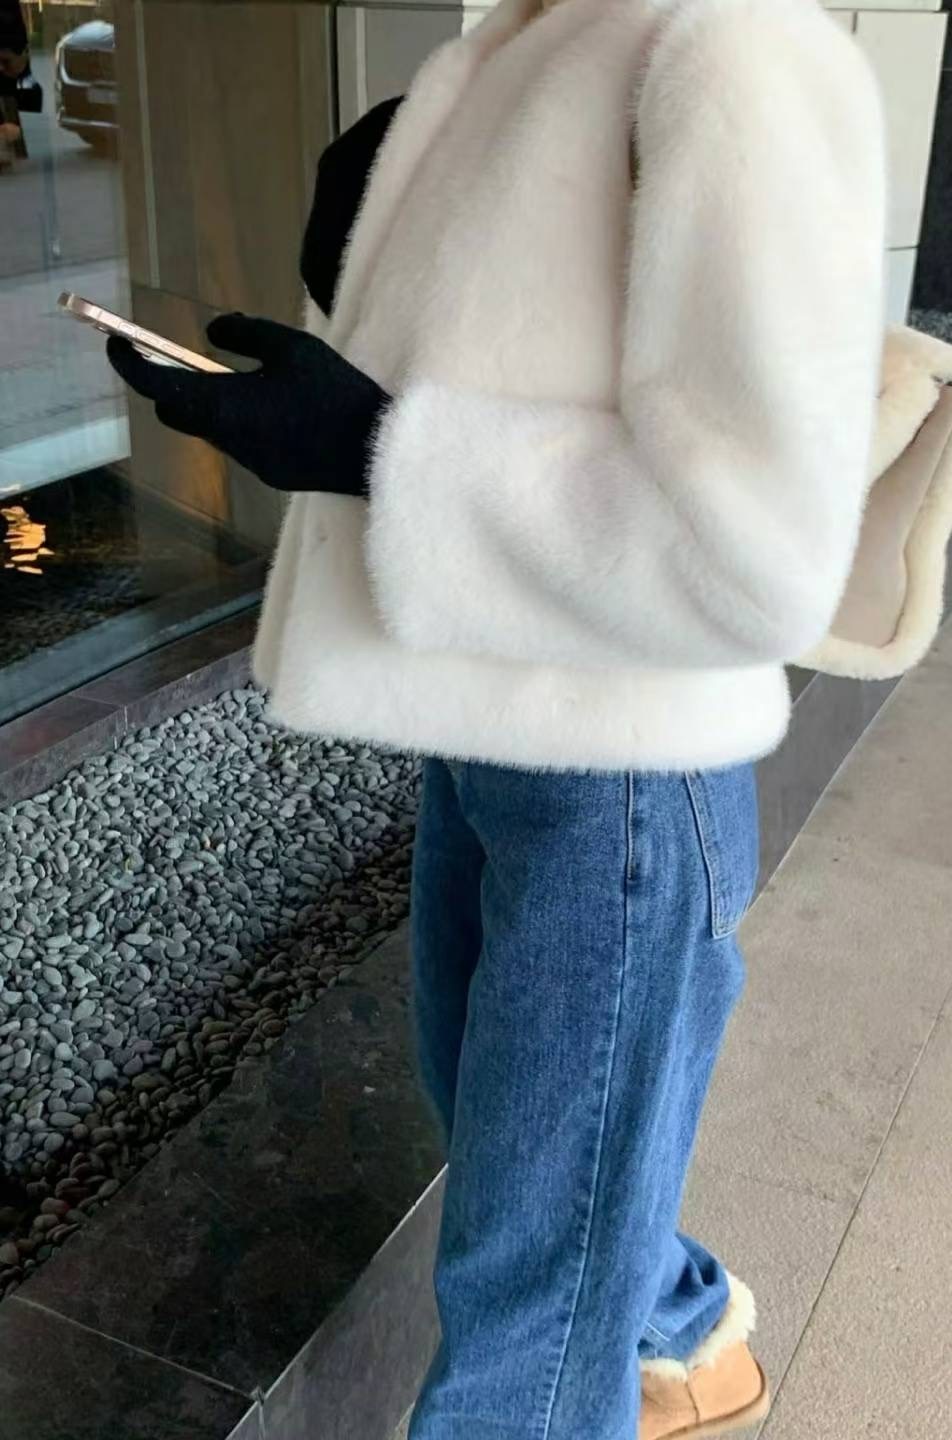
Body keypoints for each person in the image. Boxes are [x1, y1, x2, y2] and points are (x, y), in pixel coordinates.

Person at [108, 0, 886, 1435]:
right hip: (497, 728)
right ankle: (683, 1329)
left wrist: (371, 447)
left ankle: (638, 1340)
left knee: (528, 1294)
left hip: (621, 765)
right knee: (524, 1156)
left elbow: (759, 552)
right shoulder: (534, 42)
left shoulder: (728, 53)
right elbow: (543, 351)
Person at [0, 2, 31, 170]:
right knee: (8, 101)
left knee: (8, 100)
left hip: (8, 52)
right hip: (10, 52)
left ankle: (6, 151)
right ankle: (12, 149)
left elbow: (16, 24)